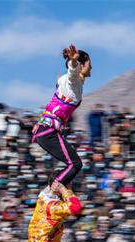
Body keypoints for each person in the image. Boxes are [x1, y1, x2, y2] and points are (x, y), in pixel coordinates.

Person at [32, 44, 92, 187]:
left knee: (71, 164)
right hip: (48, 131)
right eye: (90, 64)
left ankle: (56, 187)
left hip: (46, 130)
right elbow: (73, 74)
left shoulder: (68, 81)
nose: (91, 68)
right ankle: (51, 192)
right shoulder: (74, 81)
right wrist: (73, 62)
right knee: (75, 164)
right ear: (82, 65)